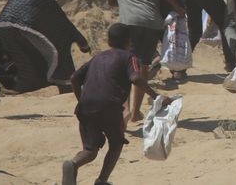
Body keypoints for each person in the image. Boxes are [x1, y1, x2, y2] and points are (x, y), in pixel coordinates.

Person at [62, 23, 168, 185]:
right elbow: (135, 78)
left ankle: (72, 164)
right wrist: (156, 96)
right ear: (129, 42)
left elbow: (74, 78)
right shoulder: (129, 57)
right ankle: (102, 181)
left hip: (86, 107)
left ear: (109, 41)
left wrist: (81, 100)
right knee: (116, 143)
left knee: (90, 150)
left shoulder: (97, 57)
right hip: (110, 107)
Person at [105, 0, 185, 122]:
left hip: (127, 22)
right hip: (150, 21)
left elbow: (111, 1)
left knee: (125, 66)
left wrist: (127, 2)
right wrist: (177, 7)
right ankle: (134, 113)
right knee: (142, 66)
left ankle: (125, 108)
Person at [0, 0, 90, 93]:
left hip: (2, 29)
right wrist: (82, 43)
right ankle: (66, 85)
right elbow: (63, 24)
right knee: (59, 46)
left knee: (26, 63)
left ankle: (6, 84)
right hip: (23, 30)